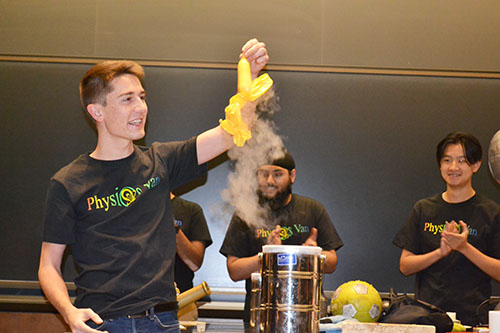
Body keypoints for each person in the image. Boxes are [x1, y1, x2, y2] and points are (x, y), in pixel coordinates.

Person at [37, 38, 269, 333]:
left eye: (142, 97)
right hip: (103, 323)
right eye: (127, 99)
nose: (141, 107)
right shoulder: (68, 182)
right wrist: (69, 313)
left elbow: (232, 132)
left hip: (164, 321)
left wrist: (247, 76)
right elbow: (48, 265)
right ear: (97, 112)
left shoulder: (162, 161)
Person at [219, 151, 343, 323]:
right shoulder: (245, 213)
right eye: (264, 174)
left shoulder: (313, 209)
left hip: (306, 316)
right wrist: (269, 254)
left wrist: (311, 255)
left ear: (292, 175)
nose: (270, 181)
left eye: (277, 174)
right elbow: (234, 270)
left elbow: (331, 264)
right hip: (260, 316)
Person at [393, 131, 500, 326]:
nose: (453, 167)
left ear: (476, 166)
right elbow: (405, 266)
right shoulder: (424, 209)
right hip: (426, 318)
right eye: (447, 160)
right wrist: (440, 252)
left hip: (473, 320)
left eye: (462, 161)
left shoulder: (491, 213)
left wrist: (464, 248)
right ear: (440, 165)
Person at [171, 192, 212, 320]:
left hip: (182, 304)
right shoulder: (133, 207)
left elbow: (194, 263)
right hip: (139, 306)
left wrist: (174, 228)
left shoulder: (191, 210)